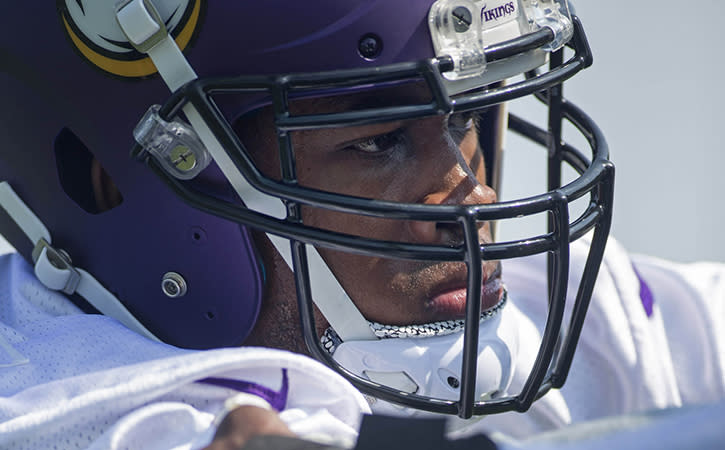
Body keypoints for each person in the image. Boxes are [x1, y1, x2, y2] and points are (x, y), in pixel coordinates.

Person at [0, 0, 723, 449]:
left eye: (465, 117)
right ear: (130, 187)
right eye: (374, 141)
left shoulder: (553, 312)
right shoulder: (51, 400)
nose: (472, 200)